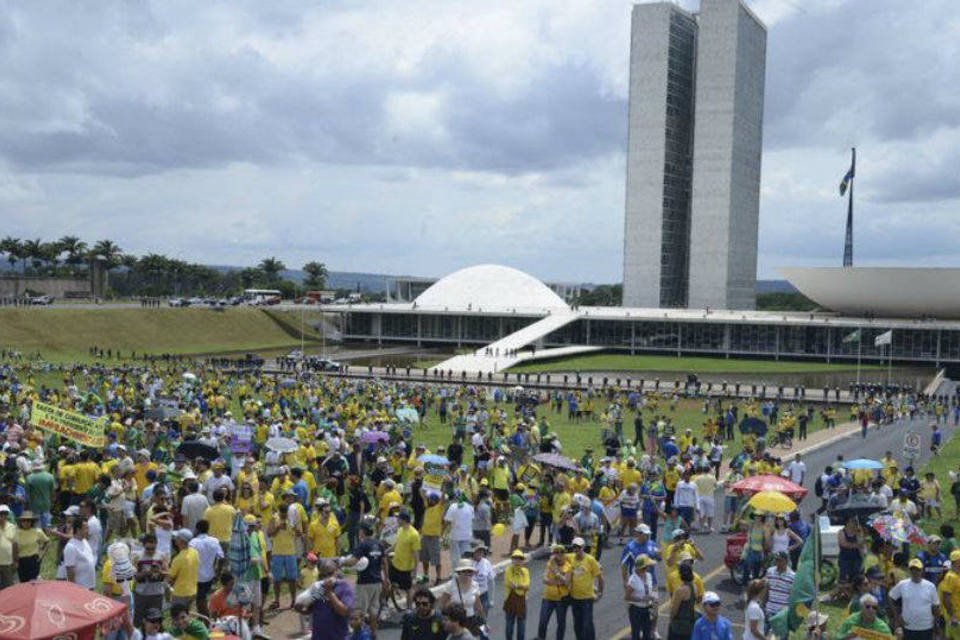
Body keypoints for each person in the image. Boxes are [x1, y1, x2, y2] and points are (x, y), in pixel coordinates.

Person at [294, 558, 355, 640]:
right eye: (323, 575)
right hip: (318, 636)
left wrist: (329, 592)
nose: (326, 577)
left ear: (336, 572)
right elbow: (311, 609)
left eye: (329, 574)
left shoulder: (344, 587)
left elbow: (344, 611)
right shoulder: (318, 588)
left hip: (338, 636)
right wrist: (300, 610)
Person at [890, 558, 940, 639]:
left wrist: (937, 625)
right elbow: (891, 597)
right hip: (908, 627)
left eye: (917, 569)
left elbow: (936, 606)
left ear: (922, 571)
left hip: (927, 627)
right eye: (912, 569)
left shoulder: (930, 586)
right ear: (909, 571)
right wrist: (897, 616)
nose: (915, 572)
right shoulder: (902, 584)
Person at [567, 536, 602, 640]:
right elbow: (558, 555)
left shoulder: (590, 560)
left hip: (587, 598)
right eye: (575, 547)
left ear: (583, 547)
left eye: (579, 547)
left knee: (587, 623)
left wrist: (600, 592)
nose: (577, 550)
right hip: (574, 597)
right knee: (577, 623)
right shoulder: (570, 557)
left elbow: (600, 578)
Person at [189, 519, 224, 619]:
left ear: (197, 529)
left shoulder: (193, 542)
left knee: (200, 599)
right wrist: (218, 572)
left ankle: (206, 619)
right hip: (209, 576)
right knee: (202, 598)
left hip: (196, 576)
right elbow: (221, 557)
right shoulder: (214, 541)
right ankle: (203, 617)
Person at [438, 559, 485, 632]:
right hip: (456, 622)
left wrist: (484, 623)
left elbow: (478, 606)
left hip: (471, 620)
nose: (466, 573)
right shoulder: (451, 585)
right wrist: (447, 619)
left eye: (469, 571)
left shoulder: (475, 585)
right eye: (464, 571)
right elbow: (441, 605)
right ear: (459, 572)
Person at [537, 543, 572, 640]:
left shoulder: (568, 566)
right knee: (543, 622)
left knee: (561, 623)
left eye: (561, 552)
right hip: (548, 597)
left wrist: (556, 573)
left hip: (561, 599)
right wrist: (558, 581)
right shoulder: (550, 564)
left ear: (565, 554)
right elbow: (544, 579)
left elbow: (567, 582)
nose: (559, 554)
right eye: (556, 552)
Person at [390, 509, 421, 609]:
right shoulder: (400, 530)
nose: (396, 520)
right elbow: (396, 544)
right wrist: (386, 551)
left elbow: (416, 554)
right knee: (391, 585)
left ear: (403, 520)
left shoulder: (414, 534)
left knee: (408, 590)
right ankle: (390, 605)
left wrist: (415, 571)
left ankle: (409, 609)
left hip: (406, 568)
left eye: (398, 519)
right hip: (395, 564)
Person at [624, 554, 657, 640]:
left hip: (648, 608)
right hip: (636, 610)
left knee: (647, 632)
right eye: (647, 566)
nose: (649, 568)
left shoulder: (649, 576)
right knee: (636, 633)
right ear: (643, 567)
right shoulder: (633, 580)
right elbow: (627, 597)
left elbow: (651, 589)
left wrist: (653, 598)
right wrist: (641, 599)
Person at [168, 529, 199, 610]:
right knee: (187, 615)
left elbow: (170, 578)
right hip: (193, 591)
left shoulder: (178, 559)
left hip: (180, 593)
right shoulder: (194, 552)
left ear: (181, 541)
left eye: (177, 537)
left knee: (177, 617)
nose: (175, 539)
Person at [504, 549, 530, 640]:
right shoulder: (508, 570)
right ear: (512, 560)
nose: (518, 561)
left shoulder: (525, 571)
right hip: (510, 601)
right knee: (509, 626)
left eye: (520, 559)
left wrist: (517, 586)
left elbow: (527, 585)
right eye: (515, 558)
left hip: (522, 601)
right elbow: (510, 584)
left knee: (521, 626)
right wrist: (521, 586)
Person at [667, 563, 698, 640]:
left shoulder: (680, 590)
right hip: (690, 623)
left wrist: (671, 621)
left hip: (679, 625)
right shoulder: (694, 587)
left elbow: (674, 609)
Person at [15, 510, 47, 582]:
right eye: (24, 520)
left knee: (33, 582)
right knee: (23, 582)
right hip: (21, 561)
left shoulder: (37, 531)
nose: (26, 522)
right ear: (21, 522)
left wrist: (42, 554)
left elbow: (47, 542)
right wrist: (15, 561)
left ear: (32, 522)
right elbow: (13, 547)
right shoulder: (16, 532)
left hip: (33, 560)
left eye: (28, 521)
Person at [64, 517, 96, 589]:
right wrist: (74, 590)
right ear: (78, 530)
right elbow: (70, 570)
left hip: (90, 587)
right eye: (86, 528)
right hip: (80, 589)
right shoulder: (71, 547)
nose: (88, 531)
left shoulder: (84, 541)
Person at [764, 551, 795, 620]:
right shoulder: (770, 571)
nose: (777, 562)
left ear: (786, 561)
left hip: (782, 613)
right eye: (776, 560)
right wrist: (763, 605)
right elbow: (766, 590)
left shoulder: (793, 576)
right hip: (769, 610)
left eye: (780, 560)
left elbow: (792, 595)